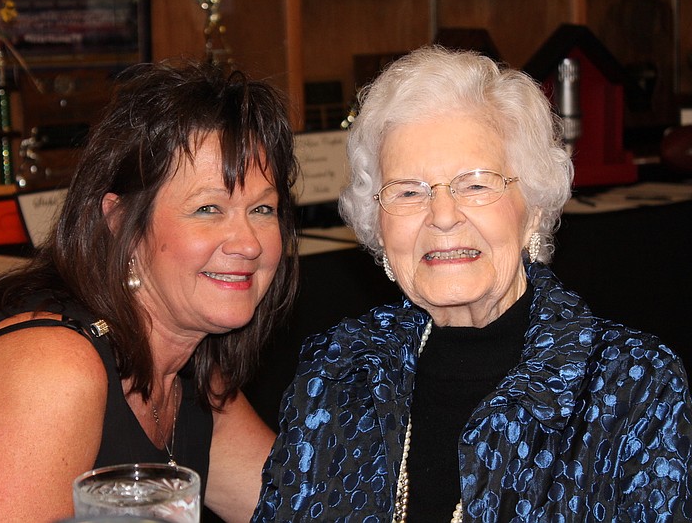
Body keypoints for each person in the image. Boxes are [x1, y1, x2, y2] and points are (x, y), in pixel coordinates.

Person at [253, 45, 692, 522]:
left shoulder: (632, 388)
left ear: (534, 209)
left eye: (476, 184)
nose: (442, 216)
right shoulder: (336, 373)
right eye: (408, 191)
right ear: (378, 228)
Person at [0, 60, 299, 523]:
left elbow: (308, 509)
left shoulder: (189, 375)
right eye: (208, 208)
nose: (248, 243)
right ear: (121, 220)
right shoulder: (52, 372)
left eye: (263, 209)